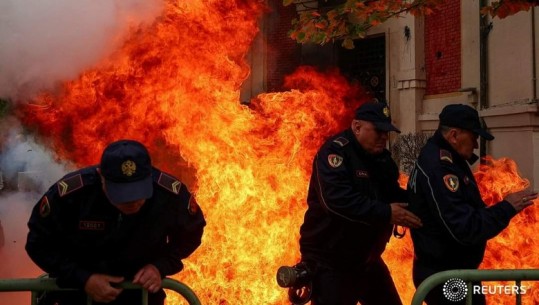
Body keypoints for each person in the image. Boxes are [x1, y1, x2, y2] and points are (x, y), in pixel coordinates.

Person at [25, 139, 206, 305]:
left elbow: (191, 233)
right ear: (101, 176)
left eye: (138, 193)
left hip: (140, 298)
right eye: (122, 194)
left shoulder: (169, 194)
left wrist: (160, 266)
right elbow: (38, 243)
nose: (132, 202)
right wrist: (83, 278)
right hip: (77, 296)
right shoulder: (71, 196)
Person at [407, 104, 537, 305]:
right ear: (454, 135)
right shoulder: (440, 168)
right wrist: (506, 207)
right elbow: (464, 227)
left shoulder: (445, 158)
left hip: (451, 273)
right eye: (473, 137)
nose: (476, 145)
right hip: (446, 277)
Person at [296, 101, 423, 305]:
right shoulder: (335, 153)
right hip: (331, 262)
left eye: (386, 132)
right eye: (378, 131)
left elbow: (391, 194)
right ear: (357, 127)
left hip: (366, 259)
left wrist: (421, 203)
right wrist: (386, 213)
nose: (384, 137)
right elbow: (336, 201)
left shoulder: (382, 159)